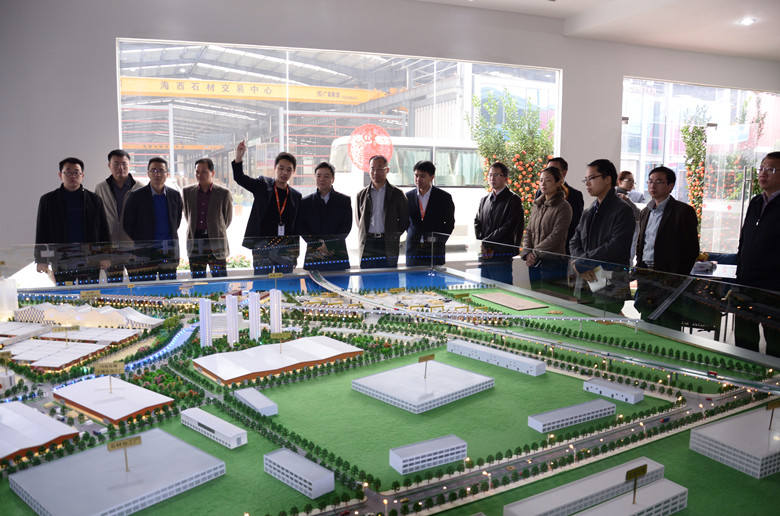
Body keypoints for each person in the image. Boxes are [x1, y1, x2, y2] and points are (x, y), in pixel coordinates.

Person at [634, 166, 699, 329]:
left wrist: (678, 277)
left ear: (670, 186)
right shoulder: (645, 212)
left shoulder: (683, 211)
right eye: (650, 181)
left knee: (669, 324)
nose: (652, 186)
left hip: (669, 278)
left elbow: (691, 250)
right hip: (646, 275)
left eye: (658, 182)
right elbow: (641, 243)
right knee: (646, 322)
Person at [569, 159, 634, 314]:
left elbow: (616, 246)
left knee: (606, 325)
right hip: (586, 281)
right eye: (586, 179)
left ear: (607, 179)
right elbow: (574, 242)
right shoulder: (589, 211)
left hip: (610, 283)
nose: (587, 183)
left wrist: (583, 263)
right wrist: (580, 264)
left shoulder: (622, 210)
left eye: (592, 178)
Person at [35, 158, 110, 285]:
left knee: (89, 293)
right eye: (68, 172)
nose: (73, 176)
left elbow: (104, 230)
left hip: (90, 259)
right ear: (60, 175)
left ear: (82, 176)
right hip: (61, 259)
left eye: (76, 172)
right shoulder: (48, 200)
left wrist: (106, 256)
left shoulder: (94, 200)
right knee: (66, 292)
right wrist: (41, 259)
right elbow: (42, 231)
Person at [735, 152, 780, 357]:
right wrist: (739, 274)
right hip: (746, 285)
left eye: (771, 169)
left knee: (775, 344)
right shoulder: (755, 202)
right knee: (744, 340)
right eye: (761, 168)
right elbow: (744, 240)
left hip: (773, 290)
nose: (763, 174)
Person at [232, 141, 301, 274]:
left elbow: (296, 228)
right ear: (275, 168)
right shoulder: (262, 185)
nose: (284, 172)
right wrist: (239, 157)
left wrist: (295, 254)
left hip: (286, 248)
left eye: (289, 170)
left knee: (286, 282)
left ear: (293, 171)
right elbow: (239, 177)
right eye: (281, 168)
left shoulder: (295, 196)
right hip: (262, 246)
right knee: (262, 282)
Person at [122, 157, 183, 281]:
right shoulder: (136, 196)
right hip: (144, 253)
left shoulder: (175, 195)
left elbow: (176, 221)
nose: (157, 174)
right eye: (153, 170)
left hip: (168, 251)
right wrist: (141, 241)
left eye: (161, 171)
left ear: (167, 174)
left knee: (168, 288)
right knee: (146, 289)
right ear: (148, 173)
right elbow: (127, 224)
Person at [94, 149, 144, 282]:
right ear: (109, 166)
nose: (120, 167)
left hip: (134, 249)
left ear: (129, 165)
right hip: (111, 249)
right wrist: (101, 252)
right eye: (116, 164)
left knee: (138, 284)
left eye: (124, 164)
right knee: (114, 285)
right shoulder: (101, 188)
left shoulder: (140, 188)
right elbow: (97, 221)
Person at [521, 166, 572, 290]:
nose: (543, 183)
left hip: (552, 263)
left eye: (548, 180)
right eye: (541, 180)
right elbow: (529, 231)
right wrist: (527, 252)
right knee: (535, 297)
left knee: (552, 298)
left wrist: (534, 253)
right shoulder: (537, 205)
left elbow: (556, 236)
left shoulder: (564, 207)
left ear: (558, 182)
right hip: (534, 262)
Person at [295, 162, 352, 271]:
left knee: (340, 281)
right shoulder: (305, 202)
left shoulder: (344, 201)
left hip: (337, 252)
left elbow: (346, 227)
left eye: (326, 176)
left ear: (333, 179)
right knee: (313, 282)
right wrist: (319, 245)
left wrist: (329, 245)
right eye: (318, 176)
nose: (322, 179)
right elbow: (302, 228)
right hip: (314, 253)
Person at [355, 155, 409, 268]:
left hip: (387, 244)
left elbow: (404, 221)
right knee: (367, 277)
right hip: (368, 244)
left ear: (387, 170)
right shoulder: (361, 195)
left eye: (379, 168)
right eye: (372, 169)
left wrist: (392, 235)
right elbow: (359, 221)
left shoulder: (397, 194)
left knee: (389, 276)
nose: (375, 172)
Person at [474, 162, 523, 284]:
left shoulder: (513, 200)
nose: (492, 178)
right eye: (490, 175)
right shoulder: (484, 200)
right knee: (484, 291)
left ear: (506, 179)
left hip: (501, 256)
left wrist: (487, 242)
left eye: (496, 175)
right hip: (484, 256)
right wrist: (483, 243)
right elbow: (477, 222)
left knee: (502, 291)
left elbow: (508, 227)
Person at [183, 158, 233, 278]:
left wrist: (214, 229)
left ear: (212, 173)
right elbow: (187, 215)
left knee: (220, 280)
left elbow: (227, 219)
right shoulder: (187, 192)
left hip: (216, 242)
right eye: (197, 172)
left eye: (204, 171)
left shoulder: (223, 193)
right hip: (195, 242)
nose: (200, 175)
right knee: (197, 280)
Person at [405, 160, 455, 266]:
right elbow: (405, 222)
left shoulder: (444, 197)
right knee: (411, 277)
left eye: (422, 176)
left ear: (432, 177)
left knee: (435, 277)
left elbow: (449, 224)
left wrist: (439, 241)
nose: (418, 179)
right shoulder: (407, 197)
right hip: (413, 251)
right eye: (416, 175)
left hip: (434, 251)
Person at [536, 157, 584, 257]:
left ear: (564, 173)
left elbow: (575, 225)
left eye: (554, 169)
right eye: (548, 169)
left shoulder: (575, 195)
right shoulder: (540, 193)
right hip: (537, 251)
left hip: (560, 252)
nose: (550, 172)